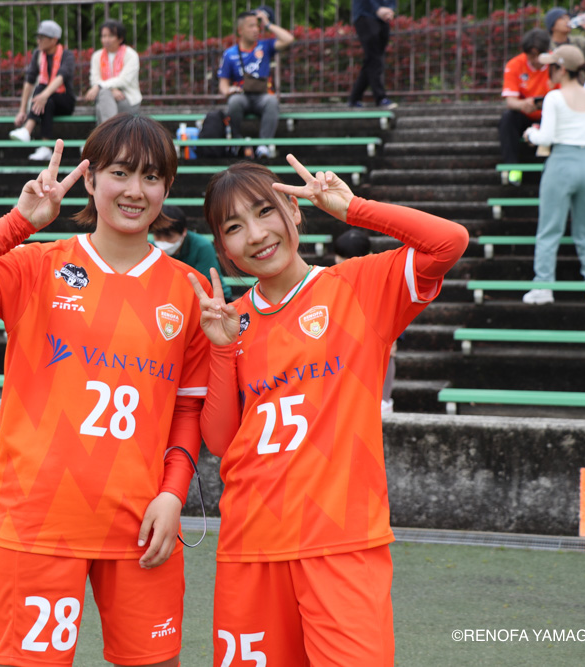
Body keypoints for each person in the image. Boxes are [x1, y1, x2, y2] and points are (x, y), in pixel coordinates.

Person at [0, 114, 211, 667]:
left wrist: (174, 495)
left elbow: (188, 410)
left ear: (167, 188)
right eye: (120, 173)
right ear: (91, 178)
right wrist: (19, 223)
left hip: (141, 526)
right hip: (39, 523)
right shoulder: (38, 265)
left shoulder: (190, 290)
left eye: (151, 177)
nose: (135, 190)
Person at [189, 158, 467, 665]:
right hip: (250, 542)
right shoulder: (230, 320)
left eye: (265, 211)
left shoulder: (359, 285)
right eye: (234, 227)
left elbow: (448, 242)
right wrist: (223, 350)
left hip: (341, 539)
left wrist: (353, 208)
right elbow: (222, 442)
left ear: (294, 210)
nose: (256, 234)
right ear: (224, 249)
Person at [521, 45, 585, 306]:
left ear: (561, 69)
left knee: (549, 229)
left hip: (561, 163)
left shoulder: (554, 97)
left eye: (551, 65)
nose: (548, 70)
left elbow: (547, 137)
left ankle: (543, 286)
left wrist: (531, 134)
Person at [217, 7, 295, 160]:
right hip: (242, 96)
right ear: (240, 30)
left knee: (272, 101)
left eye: (257, 26)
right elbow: (223, 83)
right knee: (234, 102)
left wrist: (268, 24)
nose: (256, 30)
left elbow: (288, 39)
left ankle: (263, 145)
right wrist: (228, 91)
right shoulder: (230, 54)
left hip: (262, 96)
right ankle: (237, 141)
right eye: (251, 26)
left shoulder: (264, 46)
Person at [333, 228, 396, 415]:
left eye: (344, 257)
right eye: (338, 256)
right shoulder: (334, 277)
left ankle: (383, 400)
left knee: (387, 352)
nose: (338, 261)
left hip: (375, 330)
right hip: (346, 335)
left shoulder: (380, 277)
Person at [9, 20, 76, 162]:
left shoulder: (67, 55)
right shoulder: (38, 54)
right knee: (45, 96)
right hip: (47, 102)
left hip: (65, 101)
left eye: (42, 37)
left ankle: (27, 130)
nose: (38, 41)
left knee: (42, 89)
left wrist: (44, 95)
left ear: (54, 40)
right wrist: (22, 110)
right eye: (38, 37)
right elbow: (29, 81)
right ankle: (45, 148)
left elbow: (61, 77)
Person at [499, 29, 553, 185]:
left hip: (550, 116)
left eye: (539, 55)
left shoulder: (556, 64)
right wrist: (523, 104)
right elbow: (510, 101)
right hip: (525, 114)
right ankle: (512, 168)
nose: (535, 60)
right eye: (531, 55)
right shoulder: (515, 64)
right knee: (508, 118)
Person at [152, 204, 232, 300]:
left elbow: (205, 283)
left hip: (213, 298)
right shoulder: (151, 248)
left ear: (184, 232)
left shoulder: (202, 246)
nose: (163, 241)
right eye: (158, 236)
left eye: (169, 236)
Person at [84, 19, 141, 126]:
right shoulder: (97, 56)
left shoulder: (131, 55)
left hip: (126, 99)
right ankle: (111, 132)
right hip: (105, 97)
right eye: (103, 36)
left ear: (120, 38)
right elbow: (94, 80)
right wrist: (111, 89)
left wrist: (101, 86)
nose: (106, 40)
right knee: (104, 95)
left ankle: (107, 132)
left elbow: (124, 80)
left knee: (101, 106)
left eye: (110, 36)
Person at [348, 0, 399, 109]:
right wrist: (377, 8)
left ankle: (354, 99)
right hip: (365, 13)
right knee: (374, 58)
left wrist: (390, 9)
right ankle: (380, 98)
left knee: (373, 59)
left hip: (382, 17)